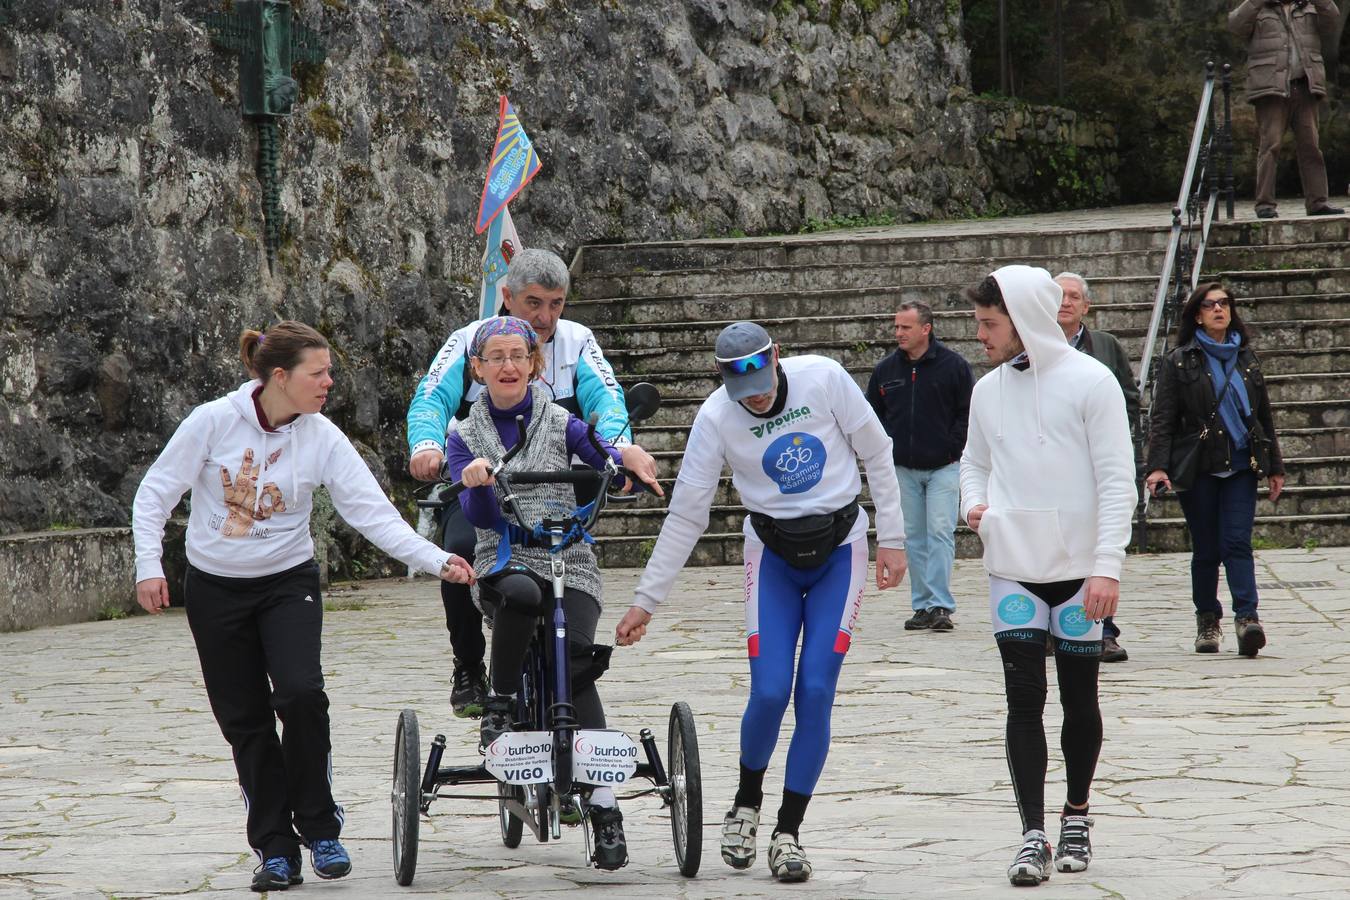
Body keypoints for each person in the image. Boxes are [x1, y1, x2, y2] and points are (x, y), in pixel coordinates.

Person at [131, 322, 475, 893]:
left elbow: (373, 514)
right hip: (216, 589)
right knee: (246, 721)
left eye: (330, 373)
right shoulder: (212, 422)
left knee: (300, 694)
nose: (329, 383)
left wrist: (436, 559)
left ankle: (320, 829)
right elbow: (155, 493)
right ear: (280, 377)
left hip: (288, 582)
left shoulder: (321, 437)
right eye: (319, 374)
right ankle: (275, 848)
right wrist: (149, 565)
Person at [614, 322, 908, 883]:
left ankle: (788, 833)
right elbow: (688, 514)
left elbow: (878, 450)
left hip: (839, 551)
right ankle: (746, 804)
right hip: (771, 556)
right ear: (722, 379)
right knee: (771, 691)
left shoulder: (824, 379)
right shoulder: (715, 417)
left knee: (816, 690)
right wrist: (645, 602)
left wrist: (891, 539)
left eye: (762, 380)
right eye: (741, 387)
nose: (755, 396)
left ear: (777, 357)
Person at [405, 248, 661, 719]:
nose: (545, 317)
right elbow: (430, 399)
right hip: (481, 481)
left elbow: (605, 401)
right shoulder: (467, 341)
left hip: (555, 480)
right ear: (506, 296)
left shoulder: (579, 341)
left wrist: (622, 449)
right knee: (459, 549)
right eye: (534, 303)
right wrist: (427, 447)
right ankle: (468, 666)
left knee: (574, 553)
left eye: (557, 304)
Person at [443, 316, 657, 871]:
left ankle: (604, 807)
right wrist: (478, 486)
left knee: (575, 660)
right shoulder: (463, 436)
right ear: (478, 369)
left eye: (520, 356)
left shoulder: (559, 420)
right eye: (497, 358)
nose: (509, 366)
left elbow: (599, 453)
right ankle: (501, 701)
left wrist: (622, 461)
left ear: (535, 365)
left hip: (568, 556)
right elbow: (479, 518)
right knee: (520, 596)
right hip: (507, 556)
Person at [959, 268, 1135, 887]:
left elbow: (1118, 480)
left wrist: (1106, 566)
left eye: (989, 324)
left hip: (1080, 573)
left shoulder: (1094, 382)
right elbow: (973, 462)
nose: (979, 336)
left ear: (1025, 320)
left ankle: (1077, 813)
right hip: (1012, 566)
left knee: (1079, 699)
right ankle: (1032, 832)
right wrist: (971, 505)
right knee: (1023, 699)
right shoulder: (987, 391)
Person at [1144, 282, 1284, 657]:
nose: (1218, 310)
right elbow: (1163, 418)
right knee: (1206, 548)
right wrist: (1157, 466)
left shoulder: (1246, 357)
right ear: (1197, 315)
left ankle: (1247, 618)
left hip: (1240, 464)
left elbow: (1263, 416)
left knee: (1237, 542)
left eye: (1224, 303)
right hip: (1199, 467)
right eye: (1209, 305)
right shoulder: (1179, 360)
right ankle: (1208, 619)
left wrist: (1275, 466)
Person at [866, 300, 972, 632]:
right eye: (896, 326)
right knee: (912, 536)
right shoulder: (885, 370)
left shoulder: (954, 366)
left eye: (905, 327)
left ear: (925, 328)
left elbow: (966, 412)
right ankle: (923, 606)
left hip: (943, 465)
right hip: (903, 469)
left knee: (940, 532)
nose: (898, 332)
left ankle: (940, 604)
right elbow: (873, 415)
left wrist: (953, 446)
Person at [1055, 272, 1141, 663]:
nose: (1065, 302)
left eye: (1073, 296)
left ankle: (1103, 629)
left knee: (1098, 544)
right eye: (1058, 295)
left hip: (1096, 460)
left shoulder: (1105, 346)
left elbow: (1130, 397)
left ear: (1086, 306)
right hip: (1052, 464)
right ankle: (1051, 626)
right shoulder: (1031, 348)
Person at [1228, 0, 1343, 219]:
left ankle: (1318, 201)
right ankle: (1265, 204)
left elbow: (1333, 20)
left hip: (1305, 85)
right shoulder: (1258, 7)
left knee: (1311, 146)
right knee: (1270, 145)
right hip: (1271, 87)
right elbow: (1235, 26)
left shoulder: (1310, 7)